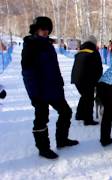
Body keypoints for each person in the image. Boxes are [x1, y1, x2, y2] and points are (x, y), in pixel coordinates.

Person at [21, 16, 78, 159]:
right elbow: (28, 74)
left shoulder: (48, 45)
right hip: (39, 91)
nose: (45, 31)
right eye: (42, 29)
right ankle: (43, 148)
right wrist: (34, 95)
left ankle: (62, 140)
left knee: (66, 112)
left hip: (54, 88)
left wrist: (60, 83)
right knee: (41, 119)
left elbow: (53, 67)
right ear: (35, 29)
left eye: (47, 29)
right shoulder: (30, 47)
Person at [71, 35, 103, 126]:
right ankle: (88, 119)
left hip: (77, 79)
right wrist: (98, 81)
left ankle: (79, 115)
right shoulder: (93, 52)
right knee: (89, 99)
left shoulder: (80, 51)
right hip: (87, 79)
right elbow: (98, 68)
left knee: (84, 96)